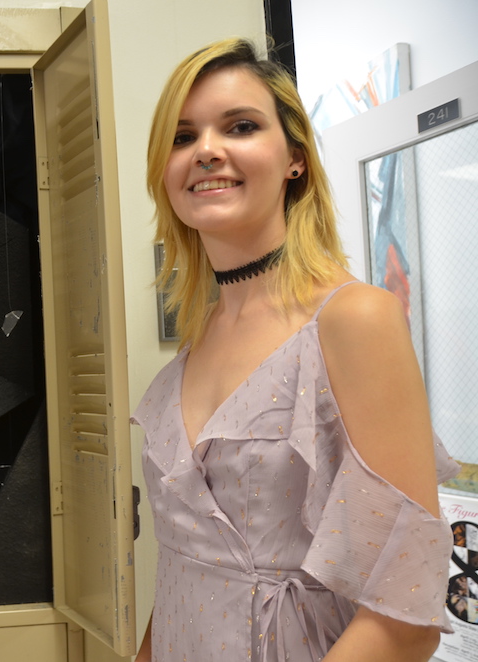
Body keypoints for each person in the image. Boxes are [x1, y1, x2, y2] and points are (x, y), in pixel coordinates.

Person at [131, 37, 460, 662]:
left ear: (295, 160)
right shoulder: (198, 338)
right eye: (181, 137)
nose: (206, 150)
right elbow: (182, 572)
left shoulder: (354, 319)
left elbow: (405, 615)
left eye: (241, 126)